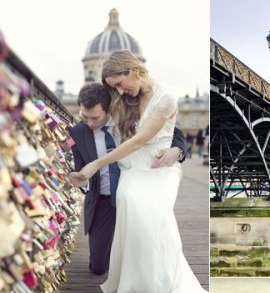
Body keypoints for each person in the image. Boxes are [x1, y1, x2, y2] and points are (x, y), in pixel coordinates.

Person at [72, 51, 209, 293]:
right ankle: (133, 280)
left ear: (133, 70)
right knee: (100, 262)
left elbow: (163, 135)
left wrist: (177, 151)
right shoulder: (95, 117)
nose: (120, 92)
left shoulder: (158, 98)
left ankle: (157, 283)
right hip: (114, 187)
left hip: (154, 169)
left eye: (120, 84)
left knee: (149, 212)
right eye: (113, 89)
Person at [69, 83, 187, 275]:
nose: (88, 123)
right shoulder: (77, 133)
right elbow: (80, 168)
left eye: (94, 118)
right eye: (84, 116)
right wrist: (82, 181)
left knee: (141, 254)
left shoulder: (127, 115)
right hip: (103, 199)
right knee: (98, 267)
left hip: (136, 189)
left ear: (108, 110)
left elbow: (173, 131)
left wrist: (178, 150)